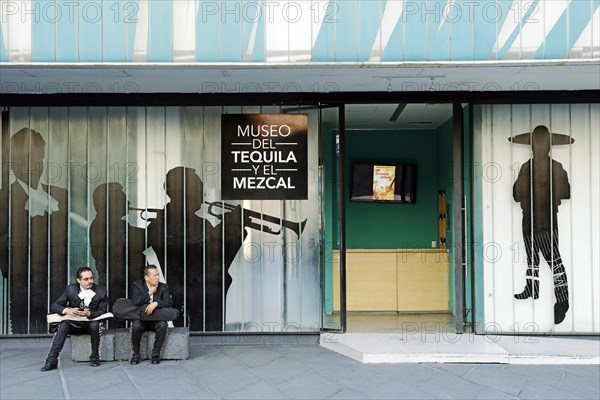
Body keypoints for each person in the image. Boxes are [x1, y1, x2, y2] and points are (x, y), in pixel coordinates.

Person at [0, 127, 68, 334]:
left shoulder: (59, 195)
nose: (34, 166)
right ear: (12, 162)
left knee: (55, 326)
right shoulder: (4, 197)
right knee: (23, 324)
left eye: (39, 159)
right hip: (21, 278)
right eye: (26, 159)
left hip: (55, 278)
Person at [511, 125, 573, 324]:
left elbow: (566, 193)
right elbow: (515, 194)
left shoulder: (556, 167)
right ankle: (532, 288)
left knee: (553, 258)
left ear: (547, 147)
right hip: (528, 218)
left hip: (546, 219)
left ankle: (562, 300)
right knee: (531, 256)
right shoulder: (526, 168)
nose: (538, 149)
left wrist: (545, 189)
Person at [41, 267, 108, 371]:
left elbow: (103, 311)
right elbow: (55, 305)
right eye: (86, 279)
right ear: (78, 280)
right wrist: (67, 310)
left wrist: (89, 313)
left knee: (95, 325)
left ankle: (94, 358)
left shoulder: (101, 291)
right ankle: (51, 360)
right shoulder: (70, 289)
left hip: (90, 326)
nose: (90, 281)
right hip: (74, 325)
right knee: (64, 324)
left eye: (91, 278)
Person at [129, 265, 173, 365]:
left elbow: (168, 302)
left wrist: (156, 303)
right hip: (141, 319)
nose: (158, 277)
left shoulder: (163, 287)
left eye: (158, 275)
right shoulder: (137, 285)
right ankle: (136, 354)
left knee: (163, 325)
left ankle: (155, 354)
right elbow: (135, 301)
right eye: (155, 275)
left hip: (156, 319)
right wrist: (149, 293)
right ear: (146, 277)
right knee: (135, 325)